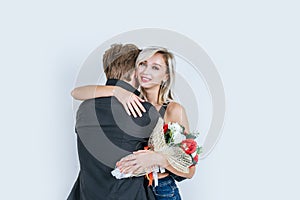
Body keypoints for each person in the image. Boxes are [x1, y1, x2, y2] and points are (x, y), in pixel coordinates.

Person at [71, 46, 196, 199]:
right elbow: (76, 92)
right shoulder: (130, 103)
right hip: (136, 189)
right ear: (135, 70)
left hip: (162, 190)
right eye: (142, 64)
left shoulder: (174, 110)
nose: (146, 71)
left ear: (166, 76)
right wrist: (117, 91)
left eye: (155, 68)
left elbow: (189, 170)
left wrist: (158, 159)